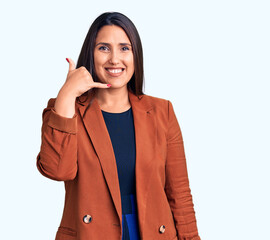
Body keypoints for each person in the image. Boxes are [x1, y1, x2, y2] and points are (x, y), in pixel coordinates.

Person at [36, 12, 201, 240]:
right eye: (104, 48)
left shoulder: (162, 112)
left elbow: (179, 194)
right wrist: (66, 94)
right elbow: (57, 170)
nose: (115, 59)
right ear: (90, 55)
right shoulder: (67, 109)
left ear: (136, 55)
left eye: (125, 48)